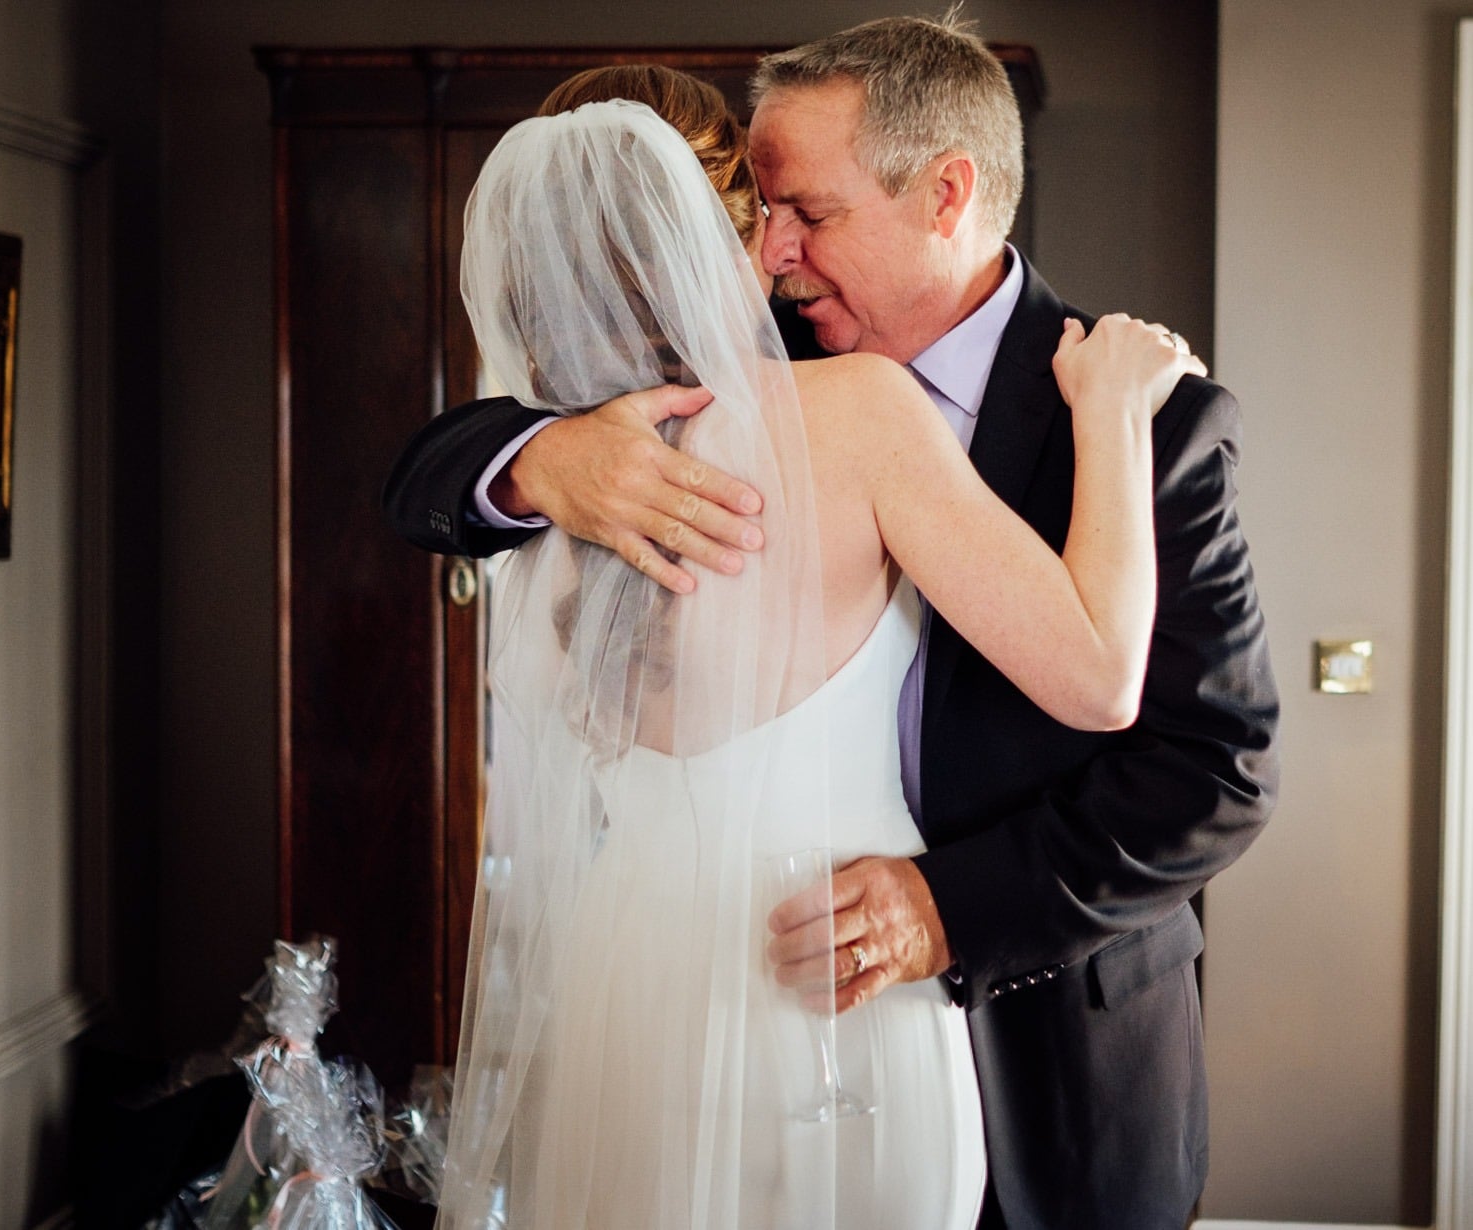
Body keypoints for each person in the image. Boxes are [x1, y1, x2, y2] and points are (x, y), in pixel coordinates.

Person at [389, 19, 1280, 1230]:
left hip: (1043, 1046)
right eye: (757, 211)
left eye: (809, 211)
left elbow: (1216, 768)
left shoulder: (1151, 424)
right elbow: (430, 478)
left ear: (945, 195)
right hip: (736, 1000)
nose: (780, 251)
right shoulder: (705, 393)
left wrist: (944, 910)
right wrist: (543, 456)